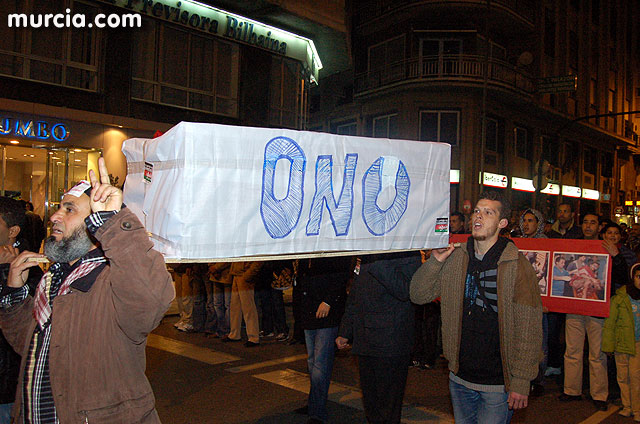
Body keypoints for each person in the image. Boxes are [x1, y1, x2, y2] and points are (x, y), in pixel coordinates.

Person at [0, 158, 174, 423]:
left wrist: (114, 222)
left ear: (95, 224)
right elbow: (32, 348)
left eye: (69, 210)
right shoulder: (52, 278)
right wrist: (14, 296)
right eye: (59, 208)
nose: (55, 216)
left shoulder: (111, 277)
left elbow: (150, 299)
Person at [410, 191, 542, 423]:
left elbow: (529, 327)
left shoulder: (517, 266)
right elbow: (418, 294)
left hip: (498, 383)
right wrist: (436, 261)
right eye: (477, 211)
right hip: (459, 377)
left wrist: (521, 380)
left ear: (502, 223)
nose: (478, 217)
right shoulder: (456, 258)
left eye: (488, 212)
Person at [336, 252, 421, 424]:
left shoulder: (408, 252)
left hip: (391, 341)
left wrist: (377, 261)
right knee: (371, 403)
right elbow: (355, 293)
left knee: (388, 406)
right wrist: (346, 330)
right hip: (364, 339)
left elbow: (405, 290)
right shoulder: (366, 252)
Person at [560, 213, 611, 411]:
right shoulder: (573, 245)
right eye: (586, 222)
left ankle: (599, 394)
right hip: (574, 307)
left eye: (593, 223)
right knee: (572, 350)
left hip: (595, 309)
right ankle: (571, 390)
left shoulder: (607, 247)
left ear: (599, 227)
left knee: (597, 353)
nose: (589, 226)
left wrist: (615, 255)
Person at [0, 198, 43, 423]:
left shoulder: (30, 269)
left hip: (6, 386)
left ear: (13, 231)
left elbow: (30, 326)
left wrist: (7, 270)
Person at [296, 257, 350, 424]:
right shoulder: (307, 249)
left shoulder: (333, 247)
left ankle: (317, 411)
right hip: (308, 310)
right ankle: (315, 403)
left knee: (320, 363)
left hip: (327, 312)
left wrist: (328, 301)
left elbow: (342, 275)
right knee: (312, 361)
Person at [602, 263, 640, 420]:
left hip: (637, 344)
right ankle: (627, 406)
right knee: (623, 377)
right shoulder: (620, 298)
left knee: (636, 377)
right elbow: (610, 325)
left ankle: (637, 410)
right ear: (632, 277)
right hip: (621, 345)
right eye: (638, 276)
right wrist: (608, 346)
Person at [225, 261, 263, 347]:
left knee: (248, 308)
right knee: (235, 307)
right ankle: (235, 333)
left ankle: (253, 337)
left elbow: (258, 262)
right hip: (239, 273)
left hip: (243, 274)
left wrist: (248, 274)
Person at [208, 262, 232, 338]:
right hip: (215, 275)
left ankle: (227, 330)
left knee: (228, 305)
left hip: (227, 273)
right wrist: (212, 267)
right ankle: (220, 330)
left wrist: (216, 268)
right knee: (217, 304)